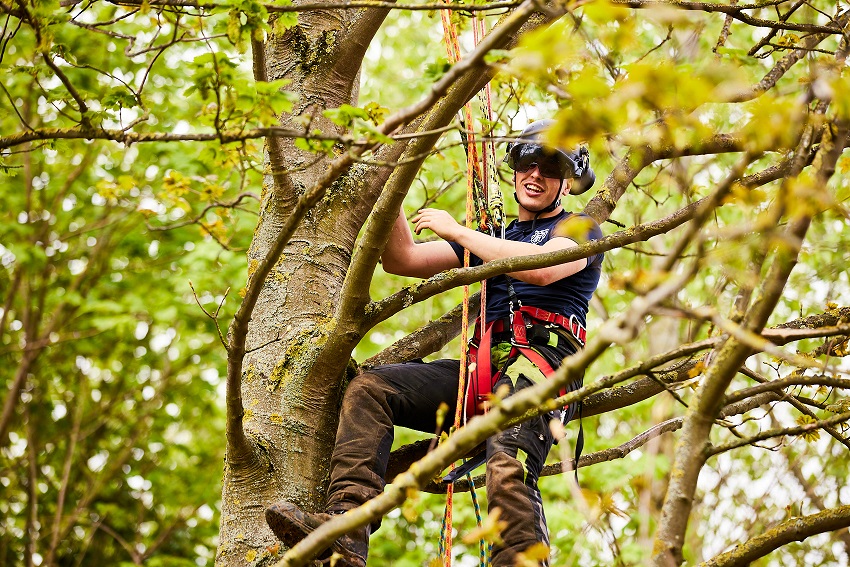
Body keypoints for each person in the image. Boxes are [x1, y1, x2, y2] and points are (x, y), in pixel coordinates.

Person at [265, 119, 604, 567]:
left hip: (542, 364)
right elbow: (403, 259)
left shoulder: (581, 229)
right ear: (515, 170)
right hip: (483, 371)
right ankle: (345, 528)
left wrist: (459, 232)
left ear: (567, 182)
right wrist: (393, 175)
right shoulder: (498, 240)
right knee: (372, 390)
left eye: (549, 167)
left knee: (507, 462)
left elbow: (541, 268)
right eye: (527, 162)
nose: (535, 174)